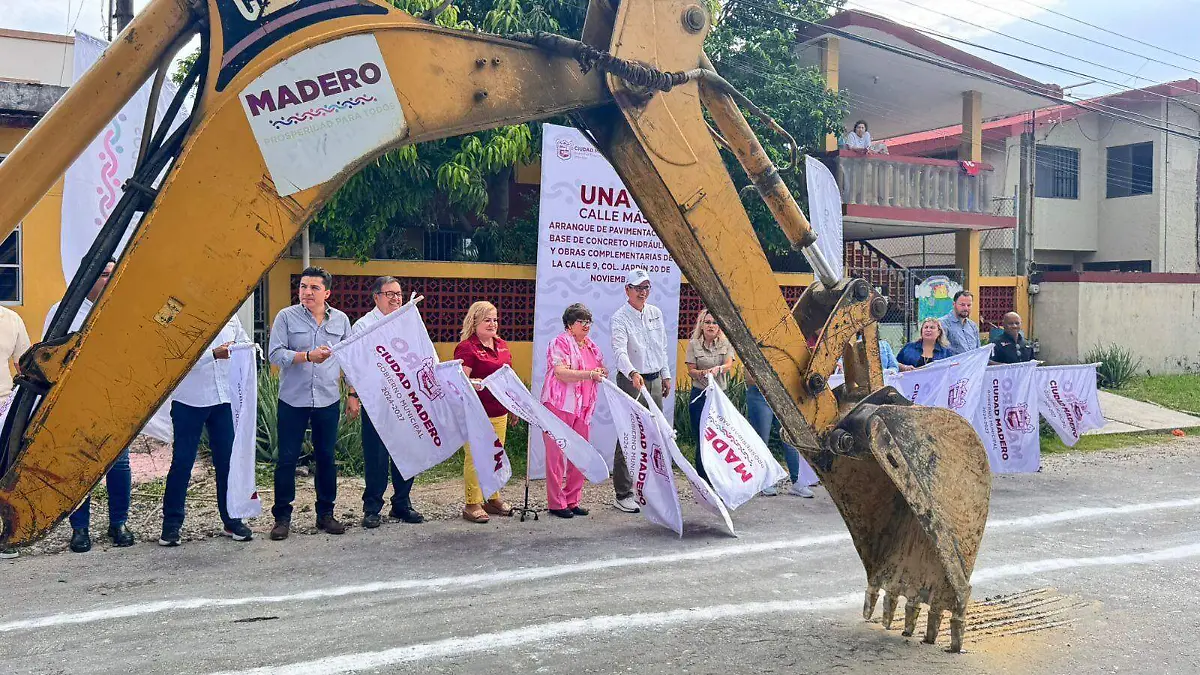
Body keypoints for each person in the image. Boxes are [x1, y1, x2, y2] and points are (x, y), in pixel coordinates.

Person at [42, 261, 134, 553]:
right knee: (77, 466)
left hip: (114, 399)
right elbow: (48, 355)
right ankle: (80, 529)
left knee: (118, 464)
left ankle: (118, 523)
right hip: (75, 401)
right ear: (89, 277)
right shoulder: (62, 311)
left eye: (112, 273)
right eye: (104, 274)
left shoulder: (123, 307)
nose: (109, 279)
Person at [267, 266, 353, 540]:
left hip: (327, 398)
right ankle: (282, 518)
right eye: (303, 286)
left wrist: (353, 394)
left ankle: (325, 514)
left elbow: (350, 358)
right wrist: (306, 356)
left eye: (314, 288)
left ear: (327, 292)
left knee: (326, 458)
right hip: (293, 399)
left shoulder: (340, 320)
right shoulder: (286, 317)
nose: (307, 292)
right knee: (287, 459)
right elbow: (275, 354)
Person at [159, 314, 254, 546]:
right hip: (190, 399)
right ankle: (171, 525)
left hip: (223, 398)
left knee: (226, 463)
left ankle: (232, 520)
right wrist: (212, 355)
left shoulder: (231, 315)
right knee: (182, 462)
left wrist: (242, 348)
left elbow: (244, 341)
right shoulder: (180, 312)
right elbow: (174, 355)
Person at [351, 276, 424, 528]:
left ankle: (402, 503)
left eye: (399, 294)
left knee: (407, 451)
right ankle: (372, 507)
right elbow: (356, 364)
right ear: (376, 297)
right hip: (377, 401)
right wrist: (353, 395)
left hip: (407, 400)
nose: (396, 298)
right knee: (377, 456)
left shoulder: (408, 321)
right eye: (390, 294)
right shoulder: (363, 326)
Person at [609, 268, 672, 513]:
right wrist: (633, 372)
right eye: (638, 288)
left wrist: (665, 375)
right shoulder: (619, 317)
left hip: (655, 380)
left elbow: (661, 348)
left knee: (654, 434)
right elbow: (619, 352)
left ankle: (649, 488)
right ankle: (622, 493)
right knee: (630, 434)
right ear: (627, 290)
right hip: (631, 380)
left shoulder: (655, 313)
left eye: (646, 288)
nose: (643, 292)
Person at [540, 303, 606, 519]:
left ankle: (572, 499)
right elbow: (560, 372)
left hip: (582, 407)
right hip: (559, 404)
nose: (586, 325)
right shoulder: (559, 342)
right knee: (557, 455)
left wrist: (600, 371)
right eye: (581, 321)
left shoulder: (591, 345)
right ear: (569, 324)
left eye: (589, 321)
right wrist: (589, 374)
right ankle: (556, 502)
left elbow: (599, 367)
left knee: (580, 453)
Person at [454, 301, 515, 524]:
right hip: (476, 413)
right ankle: (472, 503)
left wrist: (513, 405)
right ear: (475, 321)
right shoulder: (467, 348)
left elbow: (509, 379)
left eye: (495, 319)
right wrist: (474, 383)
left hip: (499, 411)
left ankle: (493, 497)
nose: (493, 324)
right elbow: (459, 382)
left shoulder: (502, 345)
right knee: (475, 457)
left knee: (495, 455)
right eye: (487, 319)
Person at [743, 372, 815, 498]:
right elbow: (749, 378)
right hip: (760, 394)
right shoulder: (755, 351)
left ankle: (797, 482)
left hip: (781, 394)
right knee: (762, 441)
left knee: (789, 439)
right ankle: (764, 482)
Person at [684, 309, 734, 484]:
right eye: (707, 322)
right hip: (700, 395)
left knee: (719, 438)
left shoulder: (725, 343)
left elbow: (728, 364)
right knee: (702, 438)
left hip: (720, 398)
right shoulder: (693, 344)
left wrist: (719, 369)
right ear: (702, 325)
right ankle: (702, 480)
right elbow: (691, 371)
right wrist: (703, 373)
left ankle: (719, 478)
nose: (711, 325)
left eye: (714, 322)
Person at [940, 290, 980, 355]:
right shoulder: (943, 324)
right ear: (954, 304)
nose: (966, 308)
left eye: (969, 305)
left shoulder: (973, 326)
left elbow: (978, 351)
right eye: (962, 305)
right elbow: (941, 352)